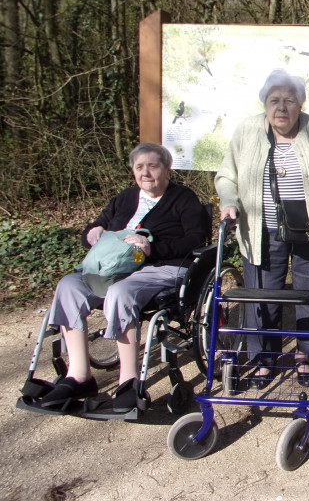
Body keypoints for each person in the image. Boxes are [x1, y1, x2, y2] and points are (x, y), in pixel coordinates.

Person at [39, 143, 211, 412]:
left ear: (167, 169)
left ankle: (128, 381)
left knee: (122, 291)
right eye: (139, 167)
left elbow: (196, 238)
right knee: (69, 286)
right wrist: (92, 232)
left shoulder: (183, 198)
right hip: (113, 269)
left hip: (161, 267)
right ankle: (79, 375)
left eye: (152, 166)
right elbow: (98, 224)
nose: (145, 172)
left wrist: (152, 248)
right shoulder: (125, 197)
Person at [215, 69, 309, 387]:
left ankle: (306, 356)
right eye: (274, 100)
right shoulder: (248, 129)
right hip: (260, 229)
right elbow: (226, 175)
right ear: (265, 103)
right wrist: (230, 202)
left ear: (300, 104)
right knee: (261, 295)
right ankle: (264, 360)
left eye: (289, 100)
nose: (282, 107)